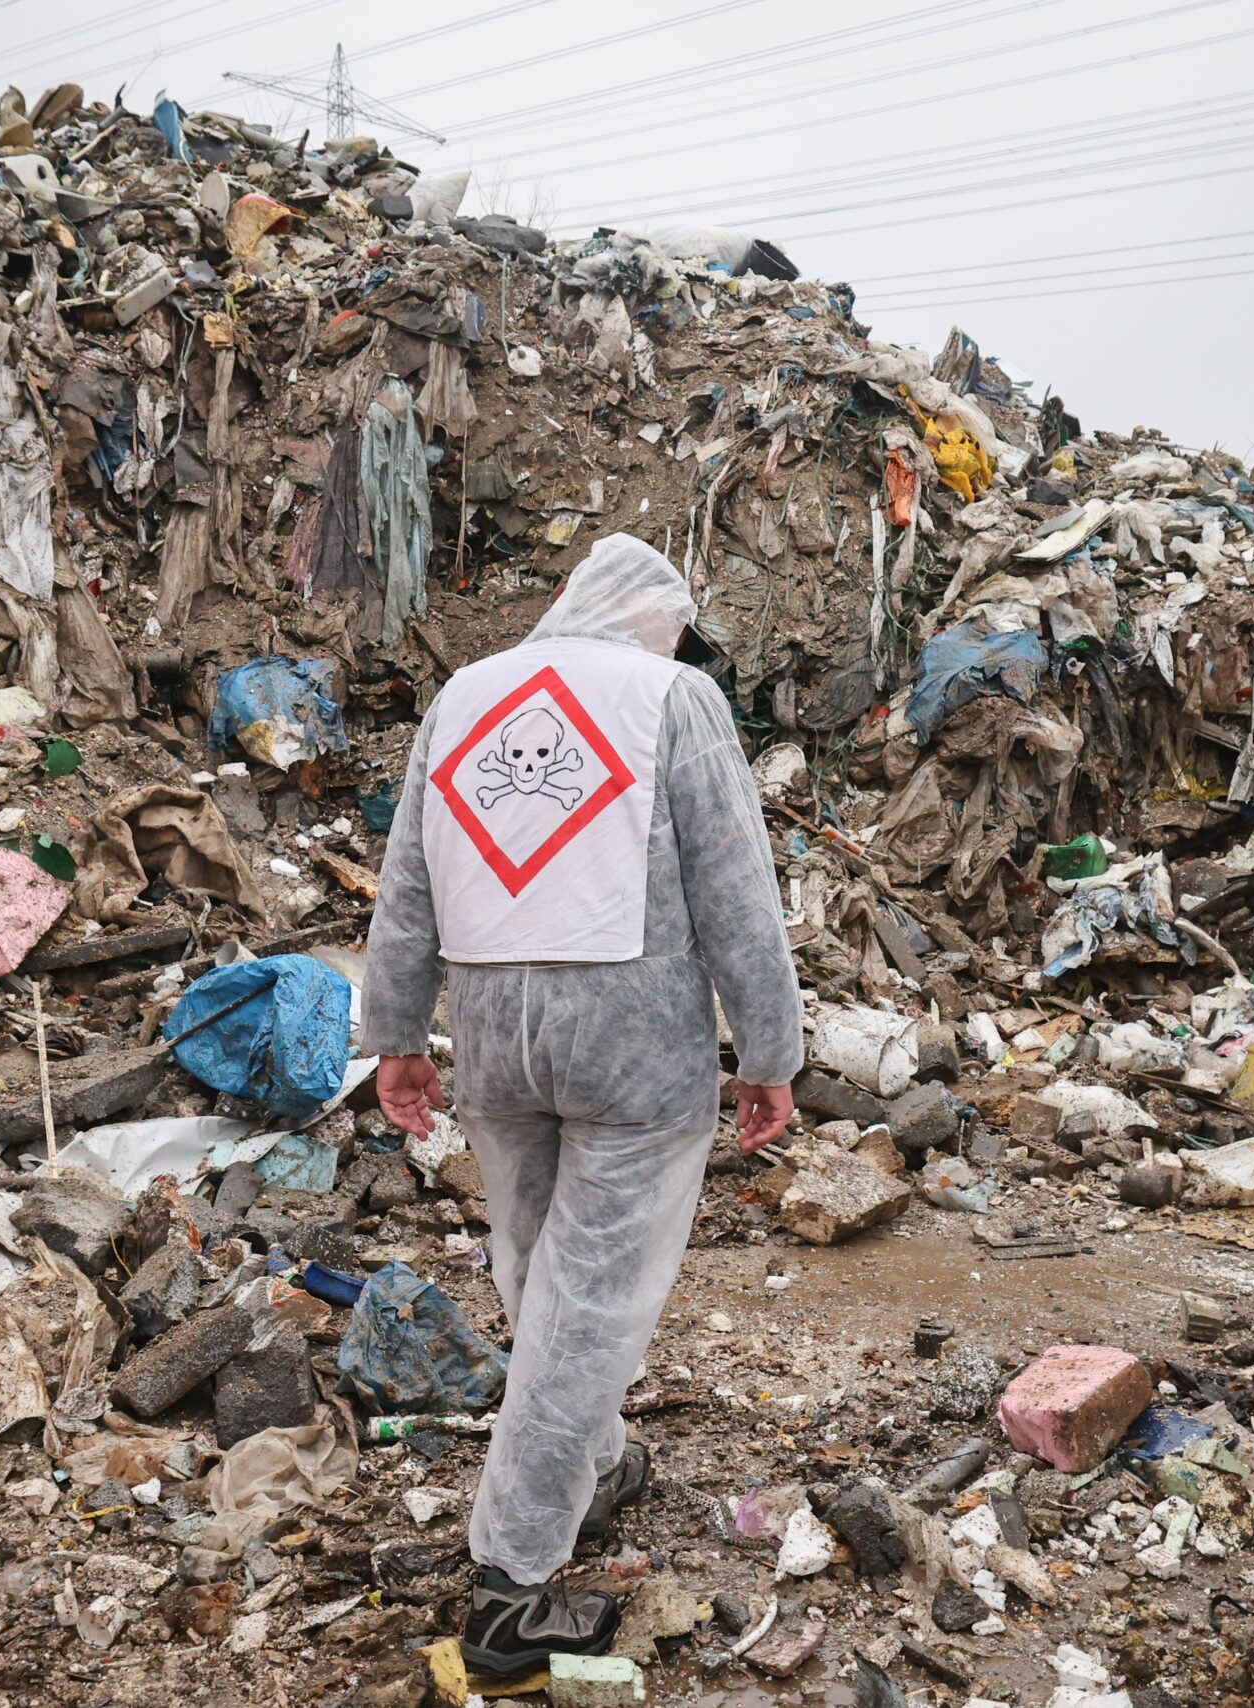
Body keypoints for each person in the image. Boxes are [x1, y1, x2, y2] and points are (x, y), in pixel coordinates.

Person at [361, 533, 803, 1674]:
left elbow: (407, 881)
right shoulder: (675, 694)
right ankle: (509, 1584)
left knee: (534, 1264)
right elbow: (734, 885)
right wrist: (769, 1049)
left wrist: (396, 1036)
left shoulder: (464, 693)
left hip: (497, 1038)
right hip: (634, 1039)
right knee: (591, 1298)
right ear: (654, 615)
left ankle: (592, 1462)